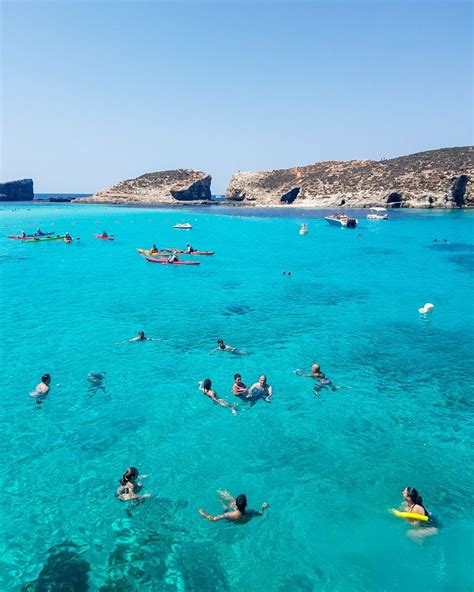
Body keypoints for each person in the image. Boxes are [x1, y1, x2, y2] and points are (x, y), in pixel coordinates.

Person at [198, 491, 269, 523]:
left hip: (232, 519)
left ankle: (222, 498)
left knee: (223, 502)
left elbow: (213, 519)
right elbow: (261, 513)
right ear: (246, 505)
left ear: (236, 504)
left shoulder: (228, 514)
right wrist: (263, 507)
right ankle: (226, 498)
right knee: (229, 502)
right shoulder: (251, 512)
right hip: (243, 522)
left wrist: (203, 513)